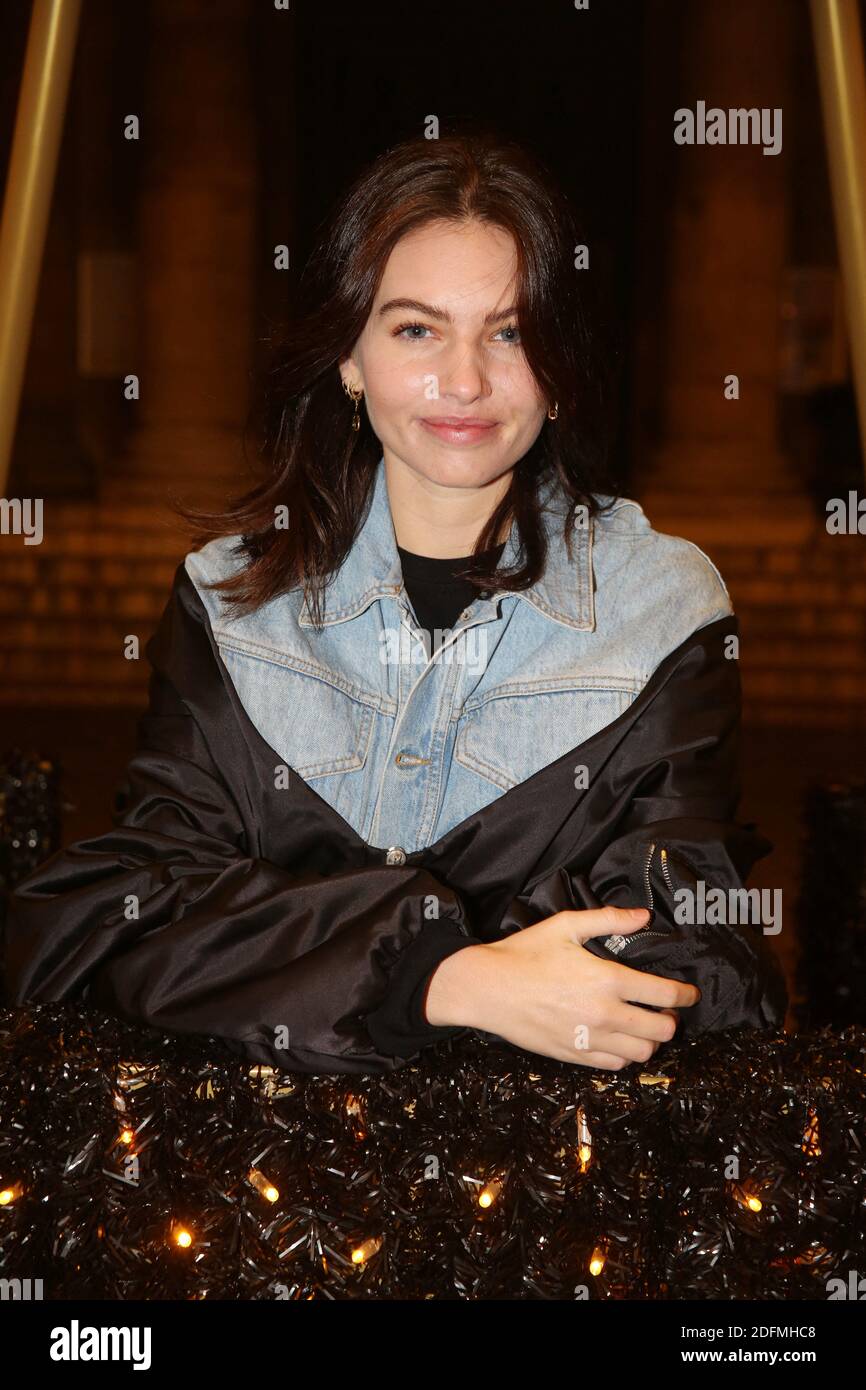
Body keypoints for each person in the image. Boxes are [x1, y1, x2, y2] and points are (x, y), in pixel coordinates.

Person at [4, 130, 787, 1075]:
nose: (465, 381)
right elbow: (121, 919)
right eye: (417, 330)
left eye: (509, 332)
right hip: (261, 1163)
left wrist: (286, 947)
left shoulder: (661, 608)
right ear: (349, 357)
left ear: (559, 367)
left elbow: (683, 947)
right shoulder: (229, 604)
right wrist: (439, 978)